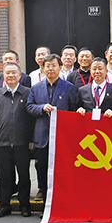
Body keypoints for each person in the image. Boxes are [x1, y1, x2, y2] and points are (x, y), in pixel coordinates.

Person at [0, 62, 34, 218]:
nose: (11, 75)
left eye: (14, 73)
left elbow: (32, 119)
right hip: (2, 143)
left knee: (24, 176)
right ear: (3, 76)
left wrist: (31, 140)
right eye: (8, 73)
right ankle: (4, 205)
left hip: (22, 143)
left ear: (20, 75)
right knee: (4, 176)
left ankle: (24, 205)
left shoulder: (28, 93)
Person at [27, 54, 76, 201]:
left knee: (61, 166)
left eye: (54, 65)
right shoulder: (36, 88)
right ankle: (42, 189)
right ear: (43, 68)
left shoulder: (69, 87)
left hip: (62, 135)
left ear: (60, 67)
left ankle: (62, 191)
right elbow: (29, 107)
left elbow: (73, 109)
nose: (50, 69)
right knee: (41, 165)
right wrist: (42, 108)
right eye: (47, 66)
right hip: (42, 135)